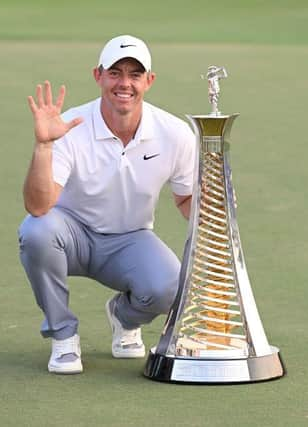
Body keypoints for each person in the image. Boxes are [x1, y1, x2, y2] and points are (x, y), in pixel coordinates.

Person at [18, 35, 196, 374]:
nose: (124, 83)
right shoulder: (70, 125)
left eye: (134, 74)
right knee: (37, 231)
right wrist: (43, 146)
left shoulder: (175, 133)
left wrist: (214, 218)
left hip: (130, 239)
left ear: (149, 81)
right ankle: (63, 336)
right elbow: (38, 206)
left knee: (169, 285)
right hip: (72, 235)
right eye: (115, 73)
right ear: (98, 76)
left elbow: (186, 198)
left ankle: (123, 317)